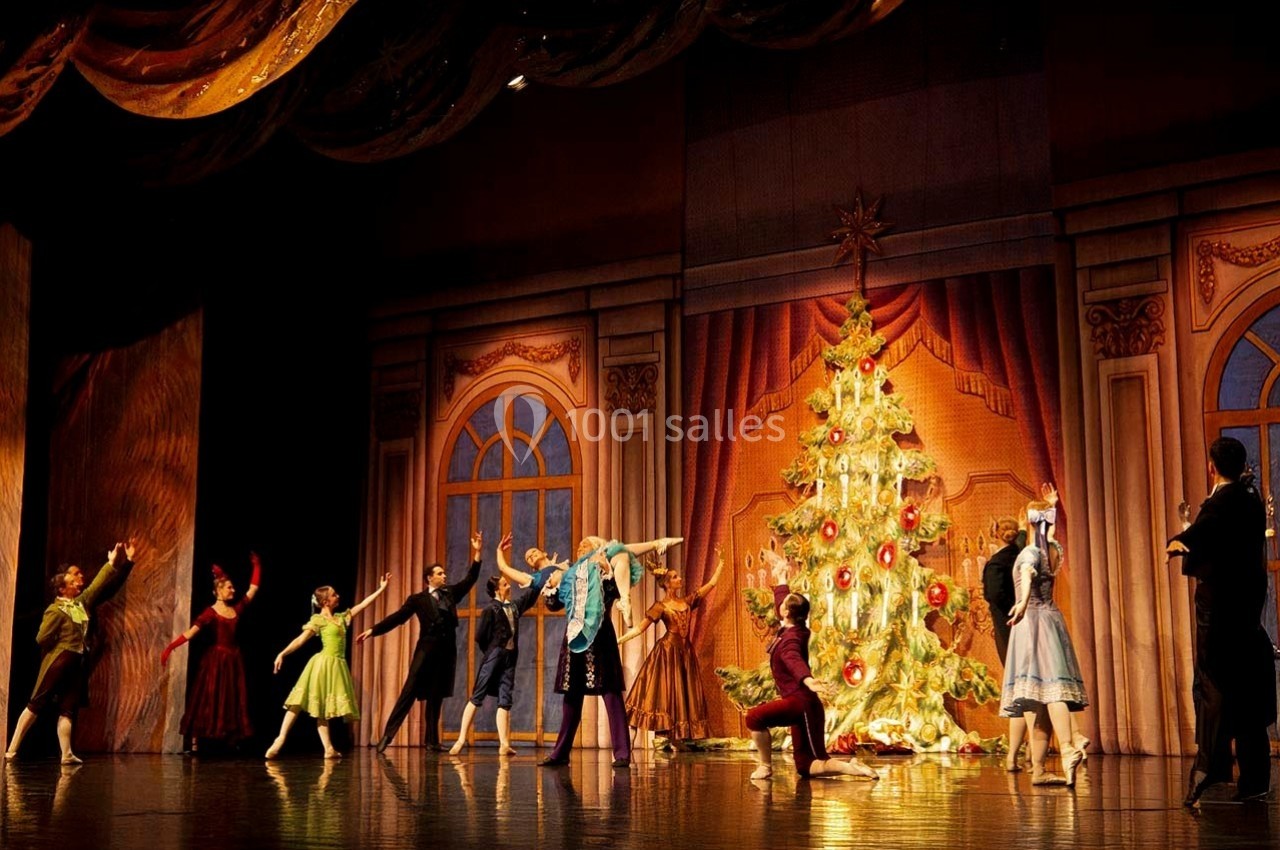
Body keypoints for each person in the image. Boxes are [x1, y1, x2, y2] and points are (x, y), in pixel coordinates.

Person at [497, 535, 679, 768]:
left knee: (610, 693)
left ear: (597, 548)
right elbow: (555, 604)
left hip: (601, 636)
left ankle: (622, 753)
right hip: (575, 637)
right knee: (572, 696)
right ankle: (560, 753)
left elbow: (614, 586)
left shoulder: (602, 568)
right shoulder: (571, 574)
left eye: (587, 543)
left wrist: (608, 571)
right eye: (579, 544)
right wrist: (549, 587)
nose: (581, 545)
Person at [1168, 436, 1275, 805]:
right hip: (1247, 612)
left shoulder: (1221, 503)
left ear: (1211, 467)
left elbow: (1205, 534)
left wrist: (1180, 540)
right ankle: (1254, 779)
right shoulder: (1250, 498)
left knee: (1214, 689)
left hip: (1220, 616)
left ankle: (1210, 769)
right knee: (1248, 692)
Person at [744, 548, 877, 781]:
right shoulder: (793, 626)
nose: (780, 606)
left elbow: (793, 659)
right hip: (803, 704)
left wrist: (807, 680)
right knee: (806, 767)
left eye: (784, 605)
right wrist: (781, 576)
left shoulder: (791, 639)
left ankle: (765, 766)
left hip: (801, 704)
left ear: (787, 612)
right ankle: (850, 768)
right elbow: (782, 602)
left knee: (754, 718)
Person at [5, 540, 137, 764]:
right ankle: (12, 749)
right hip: (61, 659)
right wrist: (60, 645)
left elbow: (97, 585)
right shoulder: (55, 610)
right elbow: (41, 638)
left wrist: (112, 563)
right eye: (72, 580)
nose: (78, 582)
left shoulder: (81, 603)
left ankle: (66, 754)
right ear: (62, 589)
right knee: (36, 703)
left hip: (77, 662)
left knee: (68, 708)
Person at [357, 533, 483, 752]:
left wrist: (477, 553)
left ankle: (432, 742)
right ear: (429, 578)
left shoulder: (450, 593)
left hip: (445, 652)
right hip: (426, 650)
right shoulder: (418, 599)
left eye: (443, 573)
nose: (444, 576)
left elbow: (470, 579)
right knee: (409, 690)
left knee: (436, 696)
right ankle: (388, 735)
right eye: (440, 573)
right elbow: (397, 618)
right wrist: (372, 630)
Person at [1000, 484, 1088, 787]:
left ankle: (1067, 748)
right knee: (1039, 701)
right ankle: (1038, 770)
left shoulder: (1029, 552)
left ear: (1027, 523)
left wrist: (1023, 603)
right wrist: (1051, 507)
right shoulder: (1053, 550)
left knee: (1050, 693)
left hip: (1032, 625)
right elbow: (1048, 536)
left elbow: (1027, 576)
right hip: (1051, 620)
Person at [266, 573, 390, 759]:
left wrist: (381, 589)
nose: (337, 596)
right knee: (298, 701)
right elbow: (300, 640)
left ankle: (328, 748)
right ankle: (280, 738)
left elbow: (363, 604)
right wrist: (282, 653)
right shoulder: (319, 620)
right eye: (333, 595)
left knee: (322, 709)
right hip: (321, 664)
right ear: (325, 602)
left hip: (337, 666)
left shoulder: (341, 618)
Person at [617, 548, 724, 742]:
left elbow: (711, 584)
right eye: (675, 577)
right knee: (667, 692)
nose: (679, 579)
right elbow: (640, 628)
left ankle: (680, 736)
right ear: (667, 584)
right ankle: (663, 733)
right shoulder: (660, 606)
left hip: (685, 653)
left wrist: (721, 563)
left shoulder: (687, 601)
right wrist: (619, 640)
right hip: (667, 652)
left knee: (684, 692)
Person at [450, 533, 541, 755]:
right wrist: (493, 652)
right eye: (504, 583)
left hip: (510, 657)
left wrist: (543, 574)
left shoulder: (514, 606)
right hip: (495, 655)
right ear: (497, 589)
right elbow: (480, 636)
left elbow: (531, 594)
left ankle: (504, 743)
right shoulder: (490, 609)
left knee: (505, 698)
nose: (508, 584)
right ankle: (461, 739)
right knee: (477, 695)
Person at [160, 553, 262, 751]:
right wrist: (170, 647)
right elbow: (191, 633)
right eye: (229, 587)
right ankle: (196, 741)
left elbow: (253, 589)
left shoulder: (236, 609)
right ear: (218, 591)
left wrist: (257, 566)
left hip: (233, 659)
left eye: (233, 587)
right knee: (208, 697)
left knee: (232, 697)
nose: (234, 590)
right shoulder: (211, 612)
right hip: (216, 660)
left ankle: (231, 738)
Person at [982, 518, 1032, 772]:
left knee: (1018, 686)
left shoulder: (997, 563)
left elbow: (993, 594)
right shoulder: (1023, 555)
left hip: (1008, 625)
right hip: (1031, 624)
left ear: (996, 535)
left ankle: (1017, 754)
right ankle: (1029, 752)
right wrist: (1023, 529)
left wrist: (1009, 610)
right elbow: (1020, 542)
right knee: (1031, 686)